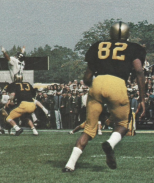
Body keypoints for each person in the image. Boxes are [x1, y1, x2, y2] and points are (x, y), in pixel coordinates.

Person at [62, 21, 146, 172]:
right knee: (122, 124)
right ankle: (110, 144)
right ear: (127, 34)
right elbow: (139, 71)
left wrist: (95, 86)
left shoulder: (99, 46)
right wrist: (142, 98)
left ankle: (70, 164)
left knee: (88, 129)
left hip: (98, 83)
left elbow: (87, 78)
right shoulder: (134, 48)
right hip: (117, 84)